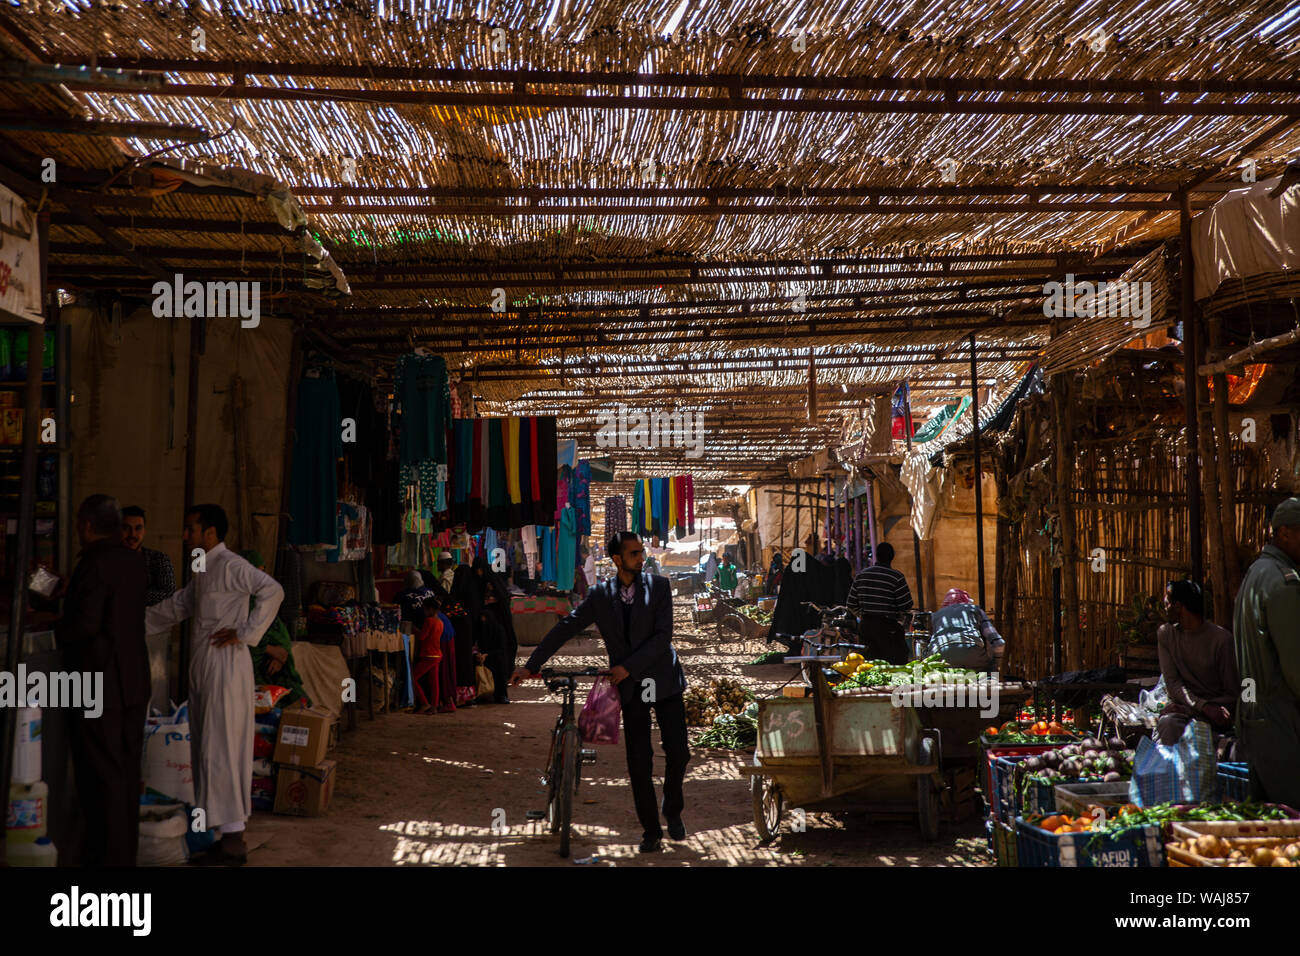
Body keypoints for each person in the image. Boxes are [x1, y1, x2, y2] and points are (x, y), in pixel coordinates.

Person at [511, 532, 689, 854]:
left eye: (642, 552)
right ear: (617, 560)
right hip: (632, 688)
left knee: (679, 752)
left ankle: (672, 808)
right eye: (634, 553)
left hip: (662, 681)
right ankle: (651, 831)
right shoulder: (601, 595)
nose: (641, 557)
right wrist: (531, 664)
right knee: (639, 760)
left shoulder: (660, 588)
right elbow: (567, 627)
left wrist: (628, 667)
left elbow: (663, 637)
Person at [146, 504, 283, 866]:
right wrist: (135, 622)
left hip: (226, 666)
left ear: (209, 532)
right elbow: (181, 604)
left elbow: (273, 591)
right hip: (205, 666)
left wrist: (245, 633)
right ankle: (222, 838)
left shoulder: (233, 565)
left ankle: (235, 841)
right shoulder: (204, 567)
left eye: (191, 528)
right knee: (207, 749)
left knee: (221, 748)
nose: (186, 535)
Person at [55, 494, 149, 867]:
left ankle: (105, 857)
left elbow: (86, 626)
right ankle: (124, 855)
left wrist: (56, 625)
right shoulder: (133, 562)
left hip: (100, 687)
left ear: (88, 526)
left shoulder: (93, 565)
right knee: (126, 774)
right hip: (133, 683)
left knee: (101, 777)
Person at [1233, 497, 1300, 807]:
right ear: (1284, 533)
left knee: (1268, 821)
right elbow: (1295, 664)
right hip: (1279, 718)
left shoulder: (1256, 573)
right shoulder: (1283, 583)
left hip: (1254, 713)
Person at [1155, 579, 1238, 745]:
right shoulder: (1166, 634)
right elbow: (1173, 683)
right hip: (1186, 711)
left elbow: (1233, 693)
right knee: (1168, 725)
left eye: (1167, 604)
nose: (1164, 610)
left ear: (1178, 606)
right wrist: (1199, 707)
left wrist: (1209, 709)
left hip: (1216, 713)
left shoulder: (1221, 640)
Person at [240, 549, 310, 709]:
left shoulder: (261, 599)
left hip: (271, 666)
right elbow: (241, 638)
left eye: (262, 572)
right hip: (250, 669)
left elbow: (278, 631)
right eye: (255, 573)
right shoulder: (239, 603)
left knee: (298, 699)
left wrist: (280, 655)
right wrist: (270, 650)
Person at [846, 542, 914, 664]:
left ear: (876, 556)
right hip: (888, 628)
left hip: (866, 627)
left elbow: (851, 603)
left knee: (869, 665)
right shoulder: (896, 577)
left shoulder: (862, 575)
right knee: (894, 665)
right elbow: (907, 604)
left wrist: (863, 616)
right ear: (892, 557)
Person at [928, 588, 1004, 673]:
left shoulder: (936, 615)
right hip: (973, 654)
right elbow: (999, 643)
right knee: (990, 672)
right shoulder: (974, 609)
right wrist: (996, 664)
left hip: (941, 657)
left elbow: (931, 645)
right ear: (966, 601)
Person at [474, 554, 517, 704]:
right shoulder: (479, 584)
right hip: (484, 630)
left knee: (500, 661)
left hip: (498, 629)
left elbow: (503, 604)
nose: (478, 573)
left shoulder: (493, 583)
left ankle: (501, 693)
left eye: (479, 569)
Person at [121, 505, 177, 607]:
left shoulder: (158, 559)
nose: (132, 534)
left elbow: (169, 594)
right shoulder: (105, 561)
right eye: (126, 528)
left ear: (144, 530)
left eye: (138, 528)